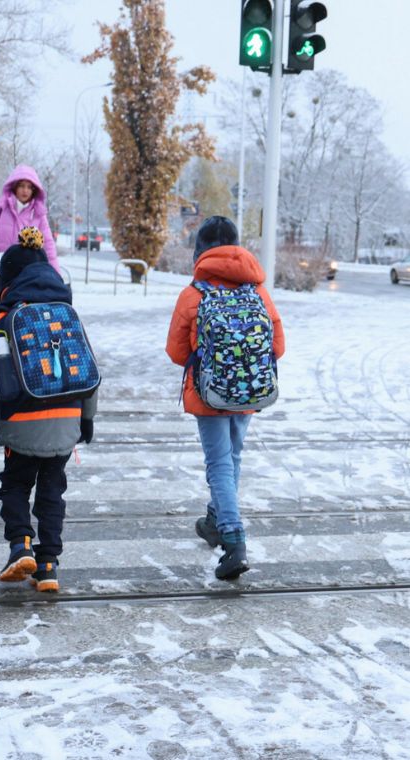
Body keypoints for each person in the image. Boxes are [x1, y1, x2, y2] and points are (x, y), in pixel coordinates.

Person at [0, 227, 95, 593]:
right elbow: (87, 370)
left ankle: (20, 545)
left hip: (21, 421)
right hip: (67, 422)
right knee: (53, 491)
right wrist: (86, 420)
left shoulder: (4, 317)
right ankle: (49, 565)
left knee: (16, 485)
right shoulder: (68, 313)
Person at [166, 216, 285, 580]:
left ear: (200, 252)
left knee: (218, 462)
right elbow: (277, 346)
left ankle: (234, 543)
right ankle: (216, 520)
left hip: (209, 394)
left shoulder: (194, 294)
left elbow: (174, 351)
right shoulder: (258, 291)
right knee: (231, 456)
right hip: (250, 391)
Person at [0, 166, 60, 308]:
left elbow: (48, 245)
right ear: (14, 186)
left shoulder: (38, 213)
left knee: (22, 316)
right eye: (21, 186)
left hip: (27, 276)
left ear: (34, 190)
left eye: (29, 187)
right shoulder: (0, 207)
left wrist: (56, 276)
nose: (25, 190)